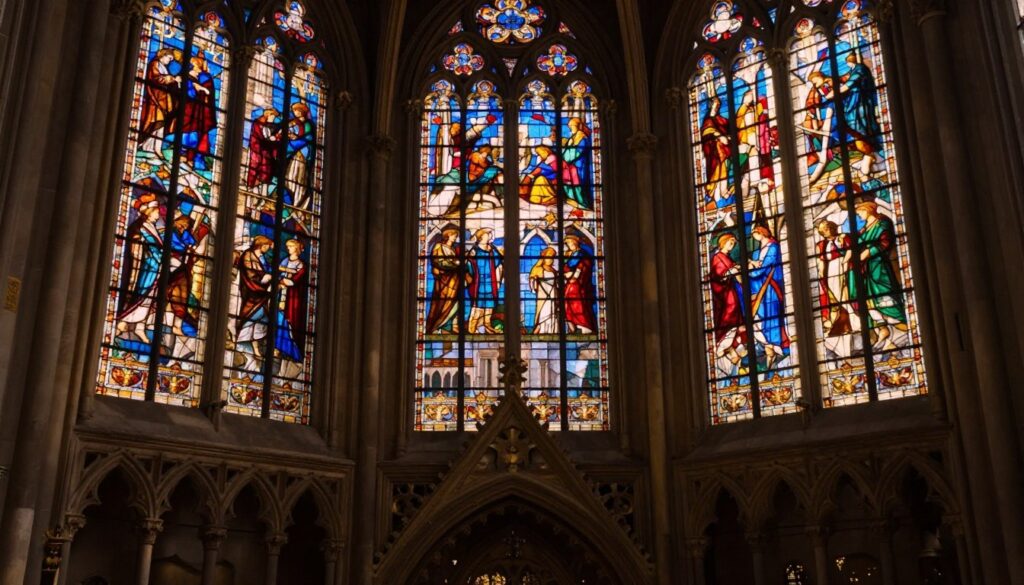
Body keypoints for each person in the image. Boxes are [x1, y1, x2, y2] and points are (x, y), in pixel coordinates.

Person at [846, 201, 906, 351]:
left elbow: (886, 242)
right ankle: (883, 330)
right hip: (862, 270)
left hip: (877, 267)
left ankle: (900, 327)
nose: (859, 214)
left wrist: (870, 252)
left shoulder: (882, 223)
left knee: (883, 295)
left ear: (868, 210)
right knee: (866, 301)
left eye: (860, 211)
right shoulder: (863, 229)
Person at [117, 193, 164, 344]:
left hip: (155, 268)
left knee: (149, 299)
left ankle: (140, 328)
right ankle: (123, 322)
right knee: (141, 295)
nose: (158, 213)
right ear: (149, 212)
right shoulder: (142, 227)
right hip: (146, 267)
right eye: (157, 210)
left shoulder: (152, 227)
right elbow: (140, 247)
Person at [814, 219, 860, 358]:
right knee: (837, 297)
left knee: (845, 295)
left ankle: (856, 321)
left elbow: (850, 250)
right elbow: (822, 260)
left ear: (833, 227)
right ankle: (846, 321)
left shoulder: (843, 237)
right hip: (830, 269)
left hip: (842, 264)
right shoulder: (821, 244)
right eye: (823, 229)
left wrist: (845, 264)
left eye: (827, 227)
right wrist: (821, 274)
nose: (825, 230)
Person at [748, 226, 790, 370]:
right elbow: (760, 265)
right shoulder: (760, 248)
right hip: (761, 285)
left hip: (771, 285)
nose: (754, 236)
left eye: (755, 234)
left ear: (762, 233)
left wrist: (752, 269)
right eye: (753, 234)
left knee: (771, 313)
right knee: (761, 314)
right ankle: (769, 347)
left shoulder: (773, 246)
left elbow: (766, 266)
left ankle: (777, 344)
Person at [835, 53, 882, 176]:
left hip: (860, 101)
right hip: (855, 101)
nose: (847, 65)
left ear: (851, 61)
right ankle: (868, 154)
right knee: (855, 126)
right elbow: (847, 78)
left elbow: (850, 83)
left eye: (848, 62)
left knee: (860, 126)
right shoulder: (856, 69)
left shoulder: (859, 69)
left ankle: (870, 153)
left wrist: (835, 91)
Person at [709, 233, 747, 374]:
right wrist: (729, 272)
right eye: (730, 243)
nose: (732, 245)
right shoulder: (718, 257)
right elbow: (716, 275)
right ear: (723, 243)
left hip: (731, 290)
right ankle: (727, 345)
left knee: (736, 311)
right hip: (724, 294)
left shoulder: (726, 257)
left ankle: (734, 349)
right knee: (730, 311)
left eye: (733, 243)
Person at [234, 236, 274, 371]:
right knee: (250, 318)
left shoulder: (262, 258)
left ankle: (256, 349)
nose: (268, 248)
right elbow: (250, 275)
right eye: (267, 245)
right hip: (252, 292)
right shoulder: (248, 255)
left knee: (261, 321)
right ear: (261, 245)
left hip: (261, 295)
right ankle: (240, 343)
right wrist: (264, 279)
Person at [275, 238, 308, 378]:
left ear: (298, 248)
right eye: (288, 246)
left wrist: (285, 278)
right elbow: (279, 273)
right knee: (279, 321)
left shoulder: (301, 265)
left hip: (293, 300)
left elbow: (295, 281)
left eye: (291, 246)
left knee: (290, 324)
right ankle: (278, 347)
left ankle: (291, 353)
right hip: (281, 296)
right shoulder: (285, 261)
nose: (288, 248)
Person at [139, 48, 182, 154]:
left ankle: (154, 148)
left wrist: (174, 82)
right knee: (157, 123)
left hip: (163, 100)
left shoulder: (163, 67)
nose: (170, 60)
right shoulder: (154, 64)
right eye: (169, 58)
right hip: (155, 100)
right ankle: (148, 146)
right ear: (163, 55)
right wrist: (172, 79)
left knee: (161, 125)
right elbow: (156, 79)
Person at [180, 52, 216, 165]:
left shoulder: (205, 77)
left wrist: (200, 89)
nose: (193, 67)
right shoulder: (190, 76)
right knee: (187, 131)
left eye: (194, 64)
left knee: (197, 134)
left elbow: (208, 93)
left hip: (201, 111)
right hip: (190, 108)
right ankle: (185, 154)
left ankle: (194, 158)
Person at [700, 97, 733, 224]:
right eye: (715, 105)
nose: (717, 107)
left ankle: (724, 196)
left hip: (724, 152)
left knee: (724, 172)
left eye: (719, 105)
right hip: (712, 153)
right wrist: (718, 136)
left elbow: (731, 131)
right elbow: (706, 133)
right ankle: (719, 200)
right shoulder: (707, 121)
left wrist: (727, 138)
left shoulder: (722, 120)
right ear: (711, 106)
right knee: (716, 174)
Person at [466, 228, 503, 334]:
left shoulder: (492, 249)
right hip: (478, 282)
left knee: (489, 306)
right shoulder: (474, 251)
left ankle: (487, 325)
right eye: (488, 234)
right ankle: (472, 328)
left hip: (490, 281)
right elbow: (469, 266)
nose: (490, 236)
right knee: (478, 306)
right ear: (481, 236)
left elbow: (499, 262)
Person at [425, 229, 461, 334]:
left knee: (454, 303)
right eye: (454, 235)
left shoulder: (452, 249)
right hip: (443, 281)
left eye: (456, 236)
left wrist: (456, 264)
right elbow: (437, 261)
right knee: (442, 302)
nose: (455, 238)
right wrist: (454, 264)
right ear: (448, 236)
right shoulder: (439, 247)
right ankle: (436, 326)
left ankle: (448, 326)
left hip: (454, 279)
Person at [563, 236, 598, 335]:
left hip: (579, 284)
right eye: (567, 244)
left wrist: (574, 275)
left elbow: (583, 266)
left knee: (578, 303)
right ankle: (572, 327)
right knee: (567, 303)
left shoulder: (582, 255)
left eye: (569, 243)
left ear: (575, 243)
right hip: (570, 282)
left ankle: (585, 327)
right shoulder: (571, 255)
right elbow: (567, 267)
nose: (568, 246)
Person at [286, 103, 315, 211]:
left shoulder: (307, 124)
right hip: (295, 153)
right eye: (294, 111)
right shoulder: (294, 123)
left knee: (299, 178)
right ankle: (292, 201)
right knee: (290, 177)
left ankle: (298, 204)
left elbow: (308, 138)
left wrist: (296, 139)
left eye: (297, 111)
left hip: (302, 153)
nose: (295, 113)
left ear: (302, 112)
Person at [246, 108, 281, 196]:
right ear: (268, 115)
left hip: (267, 152)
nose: (273, 118)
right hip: (258, 151)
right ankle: (253, 190)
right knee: (255, 169)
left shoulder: (271, 126)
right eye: (273, 116)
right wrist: (270, 139)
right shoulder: (258, 124)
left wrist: (276, 138)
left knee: (266, 171)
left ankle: (264, 193)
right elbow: (258, 138)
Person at [561, 117, 594, 210]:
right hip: (570, 167)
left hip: (579, 166)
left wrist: (565, 158)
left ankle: (582, 204)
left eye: (571, 126)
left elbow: (578, 152)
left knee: (579, 185)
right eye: (569, 126)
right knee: (568, 184)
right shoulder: (573, 138)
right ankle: (573, 200)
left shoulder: (582, 138)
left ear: (577, 126)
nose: (570, 128)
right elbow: (568, 150)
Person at [529, 247, 559, 335]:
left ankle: (552, 331)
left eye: (552, 258)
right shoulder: (537, 268)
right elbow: (532, 282)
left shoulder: (553, 270)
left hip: (553, 293)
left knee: (553, 312)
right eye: (549, 257)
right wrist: (534, 280)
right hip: (543, 295)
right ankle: (540, 331)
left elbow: (557, 283)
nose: (551, 260)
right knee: (544, 313)